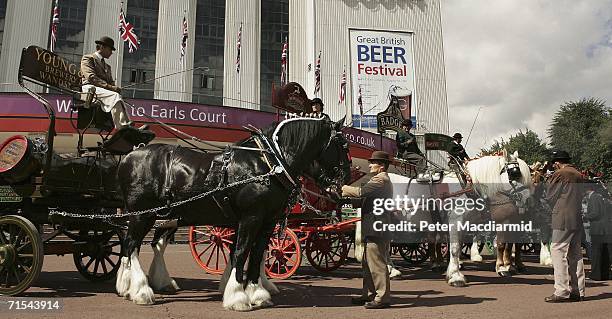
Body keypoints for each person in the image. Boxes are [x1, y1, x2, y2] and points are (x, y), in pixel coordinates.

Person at [342, 151, 394, 309]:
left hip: (376, 228)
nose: (370, 164)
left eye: (373, 162)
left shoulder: (381, 179)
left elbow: (361, 192)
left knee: (377, 264)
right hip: (373, 227)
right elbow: (363, 200)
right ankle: (369, 294)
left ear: (382, 166)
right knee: (368, 264)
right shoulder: (378, 179)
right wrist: (342, 199)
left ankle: (382, 298)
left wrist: (342, 188)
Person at [544, 150, 586, 303]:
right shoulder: (578, 173)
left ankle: (561, 291)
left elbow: (549, 195)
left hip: (562, 217)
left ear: (556, 163)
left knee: (557, 251)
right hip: (576, 217)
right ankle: (578, 291)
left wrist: (548, 180)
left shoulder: (560, 174)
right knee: (576, 255)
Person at [81, 36, 143, 131]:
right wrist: (111, 87)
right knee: (114, 96)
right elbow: (91, 77)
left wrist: (115, 87)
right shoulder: (88, 58)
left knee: (118, 96)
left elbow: (110, 82)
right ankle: (122, 126)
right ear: (102, 47)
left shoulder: (107, 67)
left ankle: (127, 124)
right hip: (89, 89)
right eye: (110, 49)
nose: (111, 52)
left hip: (102, 91)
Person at [584, 180, 612, 281]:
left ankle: (596, 274)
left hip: (598, 228)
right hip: (605, 228)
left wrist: (584, 216)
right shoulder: (603, 197)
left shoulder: (594, 197)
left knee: (597, 253)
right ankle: (604, 273)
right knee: (604, 253)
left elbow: (595, 213)